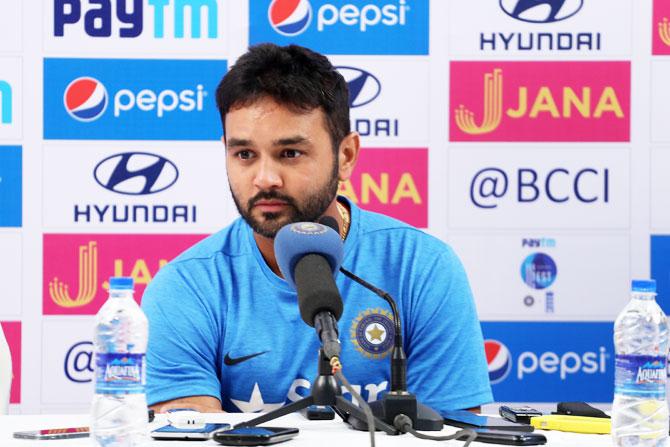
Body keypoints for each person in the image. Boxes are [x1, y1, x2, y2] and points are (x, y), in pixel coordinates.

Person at [141, 43, 493, 414]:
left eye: (290, 153)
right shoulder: (184, 287)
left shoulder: (422, 267)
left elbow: (448, 434)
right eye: (244, 154)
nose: (265, 178)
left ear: (346, 156)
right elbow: (189, 435)